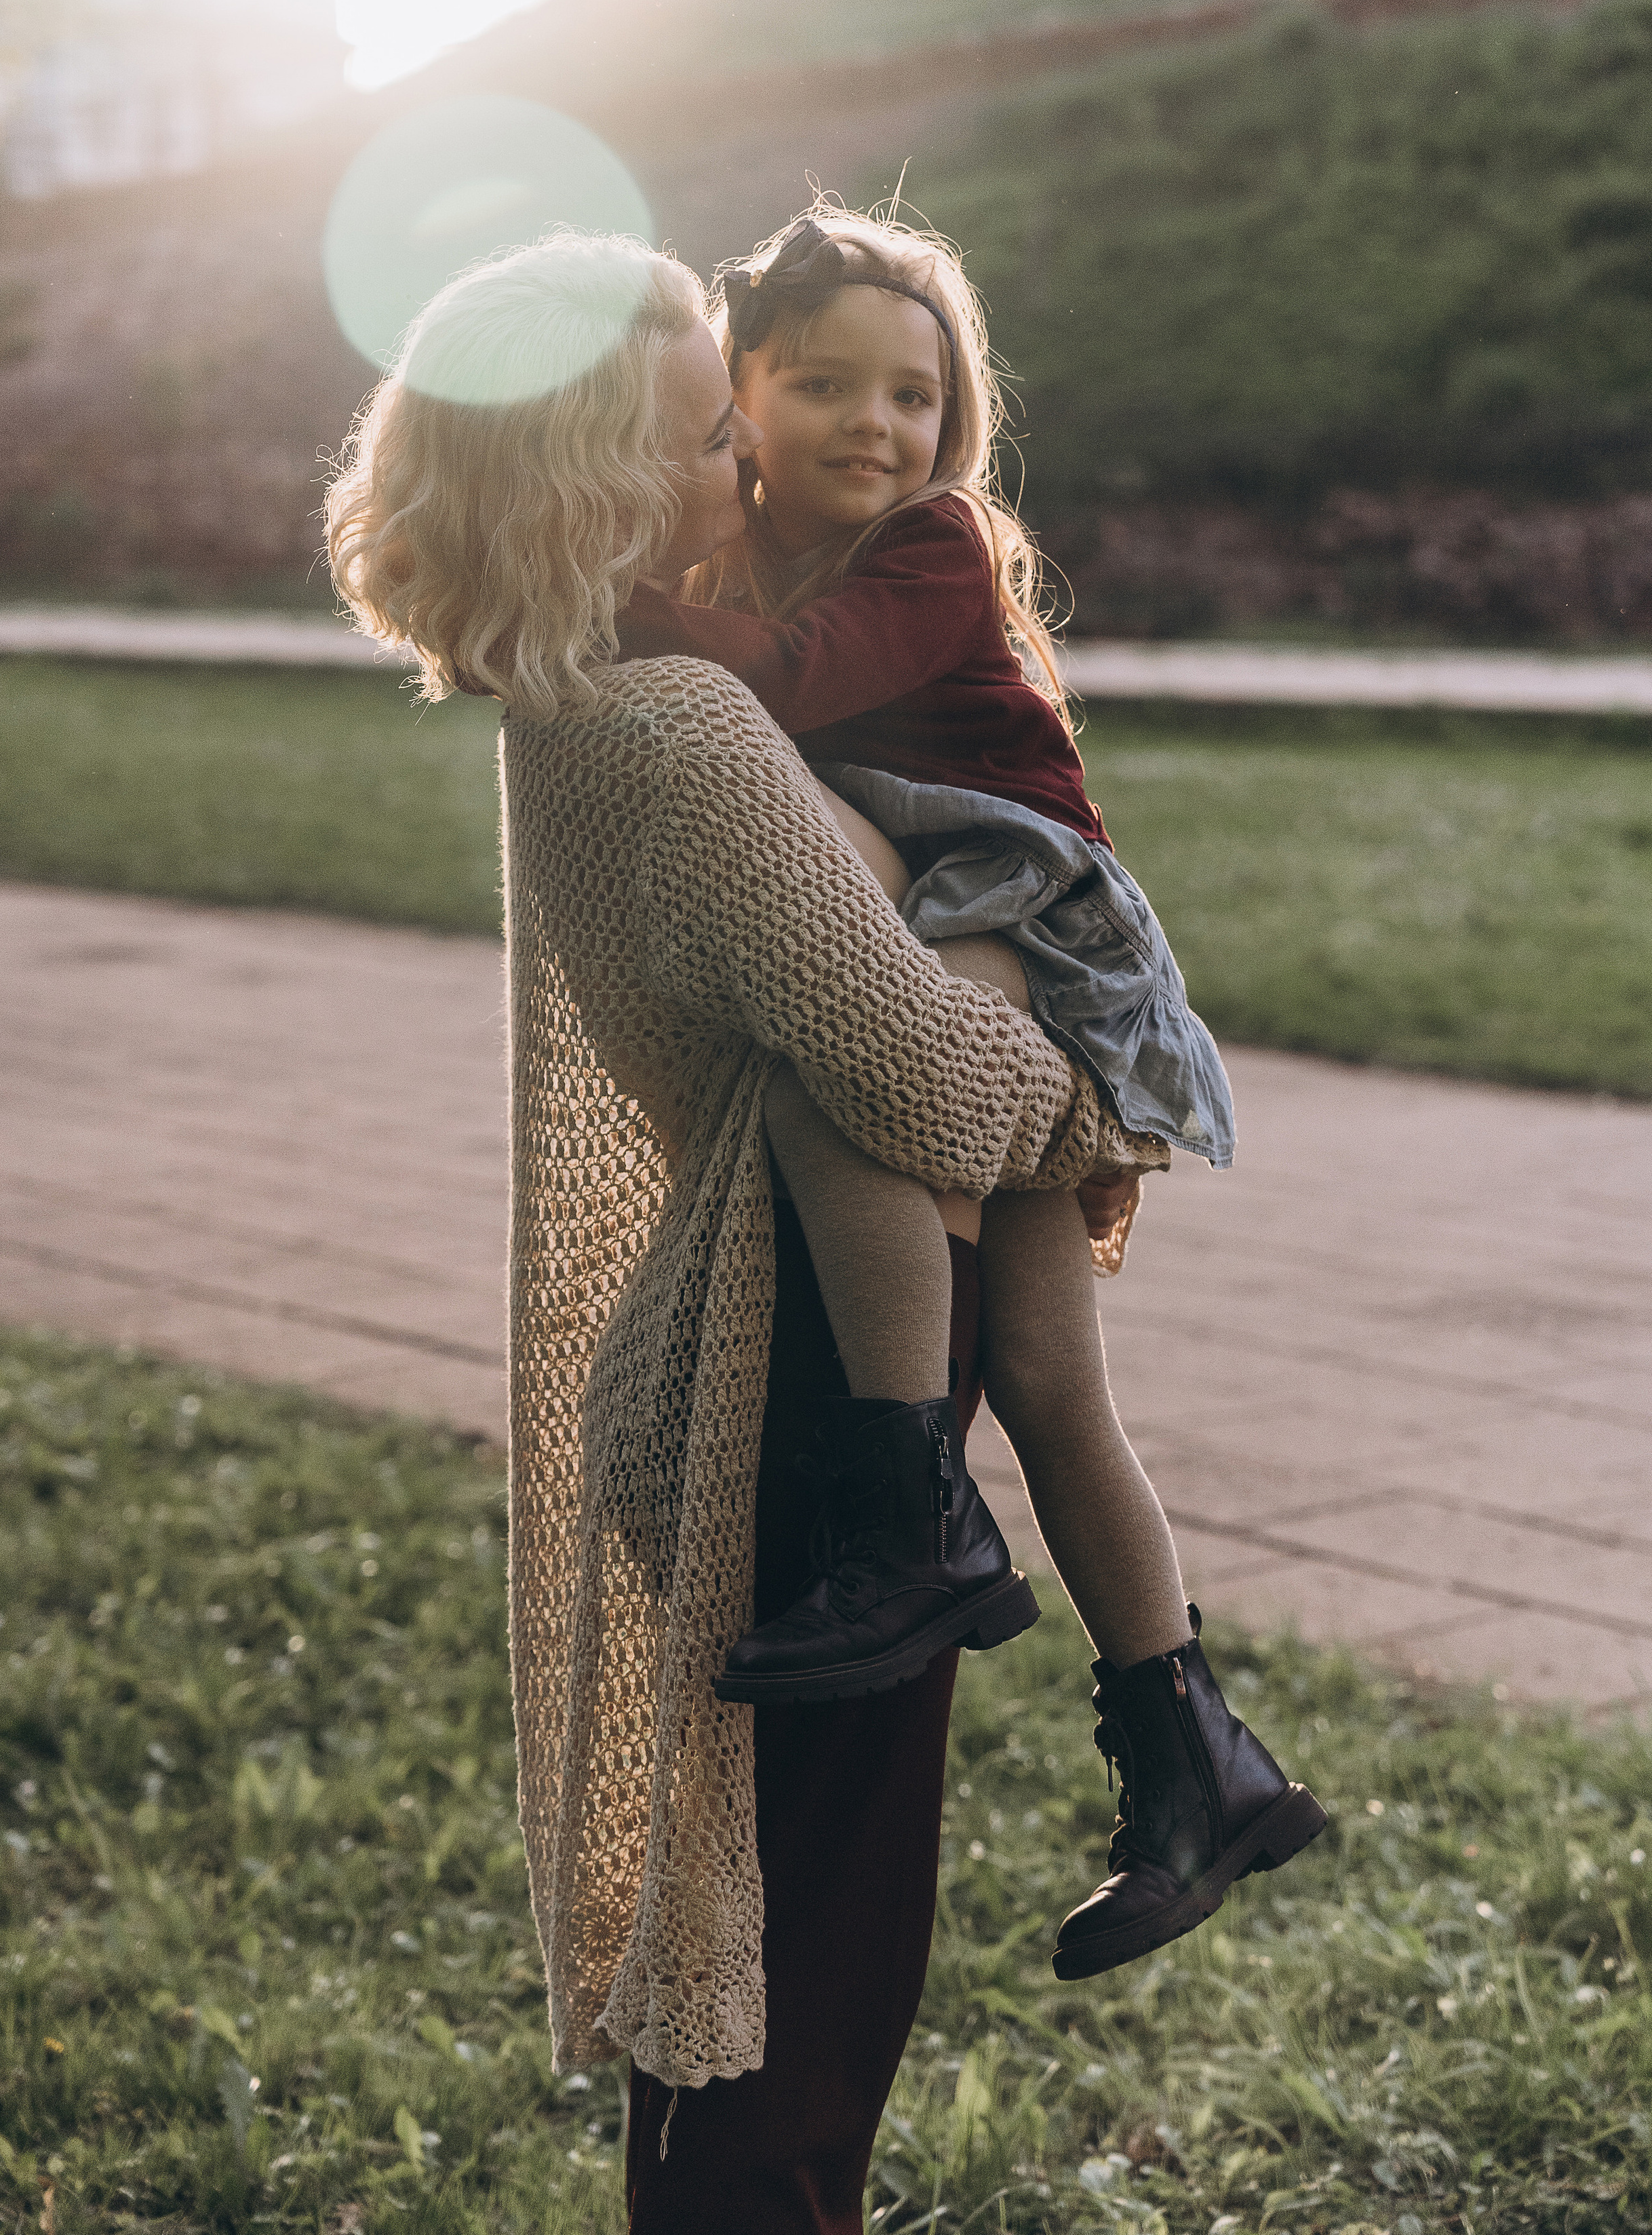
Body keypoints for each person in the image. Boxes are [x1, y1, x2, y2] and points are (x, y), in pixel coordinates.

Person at [322, 227, 1149, 2223]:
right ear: (602, 475)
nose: (751, 474)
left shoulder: (565, 700)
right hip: (813, 1412)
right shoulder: (684, 730)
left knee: (731, 1991)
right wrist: (1095, 1094)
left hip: (728, 1371)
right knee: (810, 2000)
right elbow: (932, 1085)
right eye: (708, 434)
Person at [616, 206, 1326, 1980]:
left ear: (956, 427)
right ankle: (1196, 1761)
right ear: (743, 395)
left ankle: (912, 1514)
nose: (877, 423)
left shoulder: (929, 547)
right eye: (825, 383)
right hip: (950, 904)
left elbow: (797, 692)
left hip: (1026, 910)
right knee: (1054, 1385)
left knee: (848, 1082)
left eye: (916, 394)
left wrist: (579, 612)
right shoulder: (741, 561)